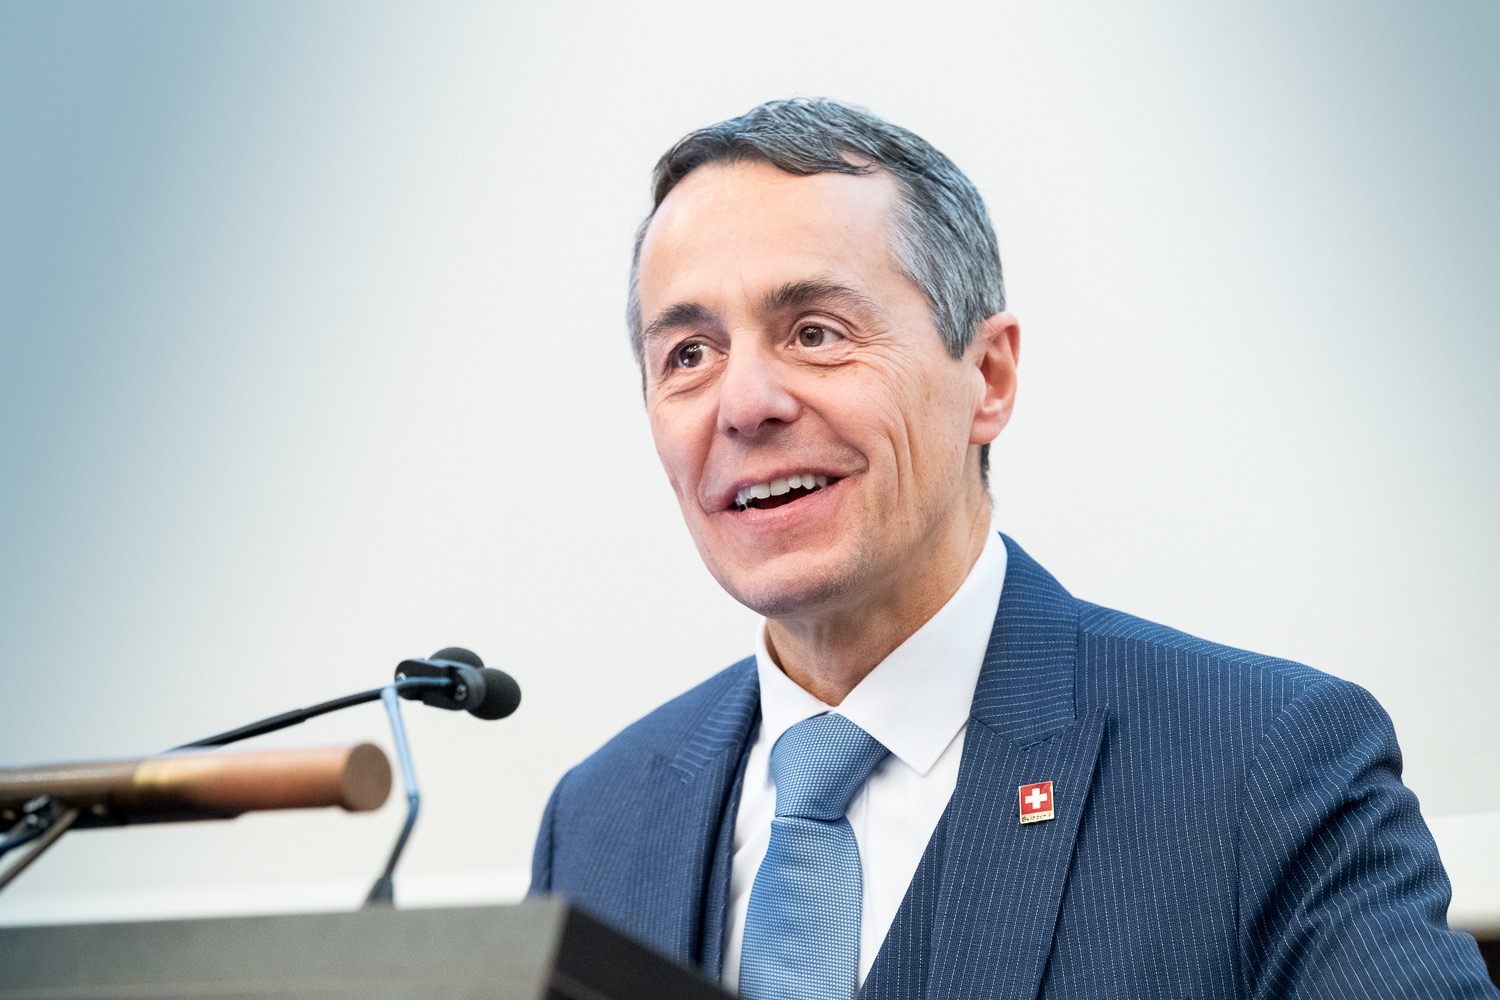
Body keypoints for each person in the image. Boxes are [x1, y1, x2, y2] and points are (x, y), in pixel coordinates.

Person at [528, 99, 1496, 999]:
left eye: (815, 333)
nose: (745, 404)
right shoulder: (597, 821)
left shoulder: (1261, 764)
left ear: (988, 377)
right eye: (688, 355)